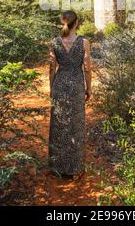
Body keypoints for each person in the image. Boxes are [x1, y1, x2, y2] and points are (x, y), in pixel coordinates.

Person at [48, 10, 92, 180]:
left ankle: (57, 167)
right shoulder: (84, 42)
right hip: (76, 86)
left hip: (60, 84)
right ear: (76, 23)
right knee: (76, 125)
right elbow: (87, 68)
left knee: (59, 124)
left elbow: (51, 67)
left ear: (63, 22)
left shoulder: (54, 42)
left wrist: (52, 88)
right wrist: (89, 89)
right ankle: (75, 169)